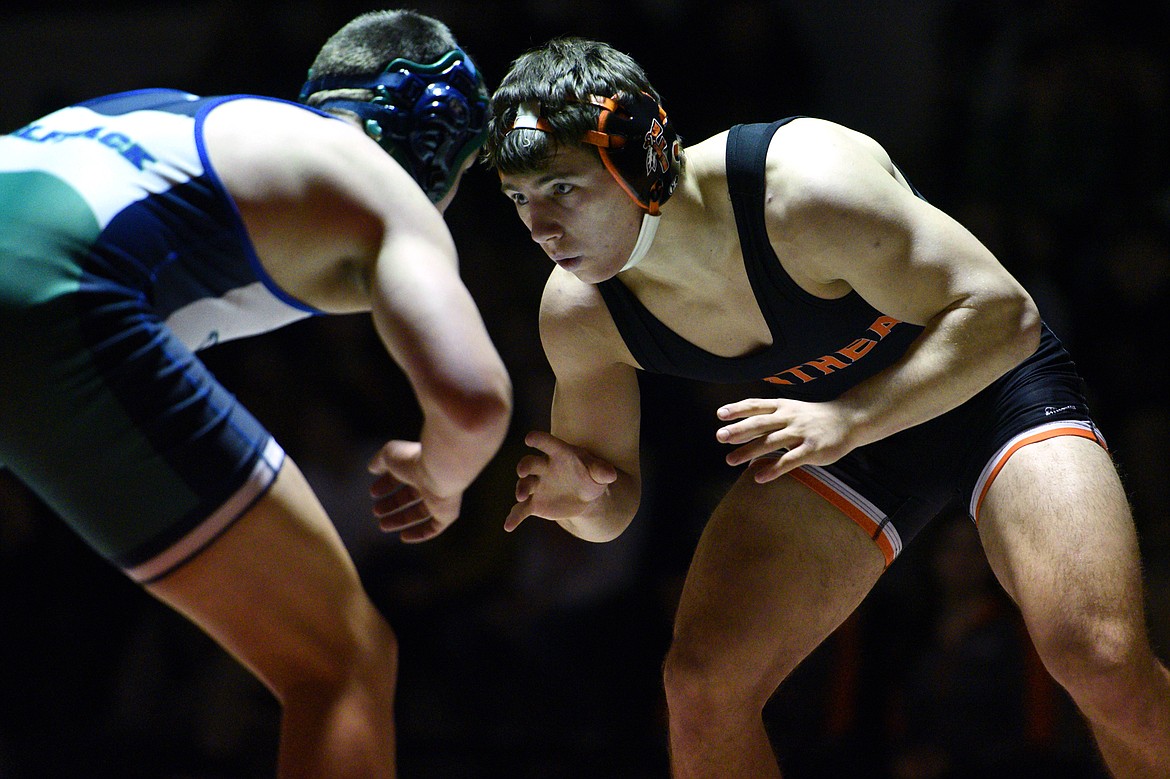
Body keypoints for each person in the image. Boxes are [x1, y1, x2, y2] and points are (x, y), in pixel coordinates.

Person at [481, 37, 1170, 778]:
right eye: (519, 198)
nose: (540, 229)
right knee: (703, 685)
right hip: (837, 430)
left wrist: (851, 420)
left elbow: (1004, 315)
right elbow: (611, 507)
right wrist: (583, 499)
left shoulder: (803, 187)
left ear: (639, 159)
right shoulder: (581, 312)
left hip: (986, 385)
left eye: (562, 190)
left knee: (1097, 658)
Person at [0, 9, 511, 778]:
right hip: (56, 298)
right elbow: (474, 398)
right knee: (342, 656)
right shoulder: (376, 180)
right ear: (437, 142)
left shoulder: (161, 109)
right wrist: (441, 475)